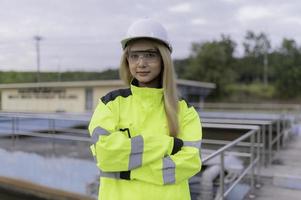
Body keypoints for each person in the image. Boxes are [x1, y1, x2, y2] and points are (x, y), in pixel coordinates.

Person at [88, 18, 202, 200]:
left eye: (150, 55)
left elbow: (189, 163)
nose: (141, 63)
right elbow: (105, 155)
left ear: (163, 59)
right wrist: (167, 144)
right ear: (127, 60)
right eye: (134, 55)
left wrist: (125, 171)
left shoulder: (185, 111)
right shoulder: (110, 104)